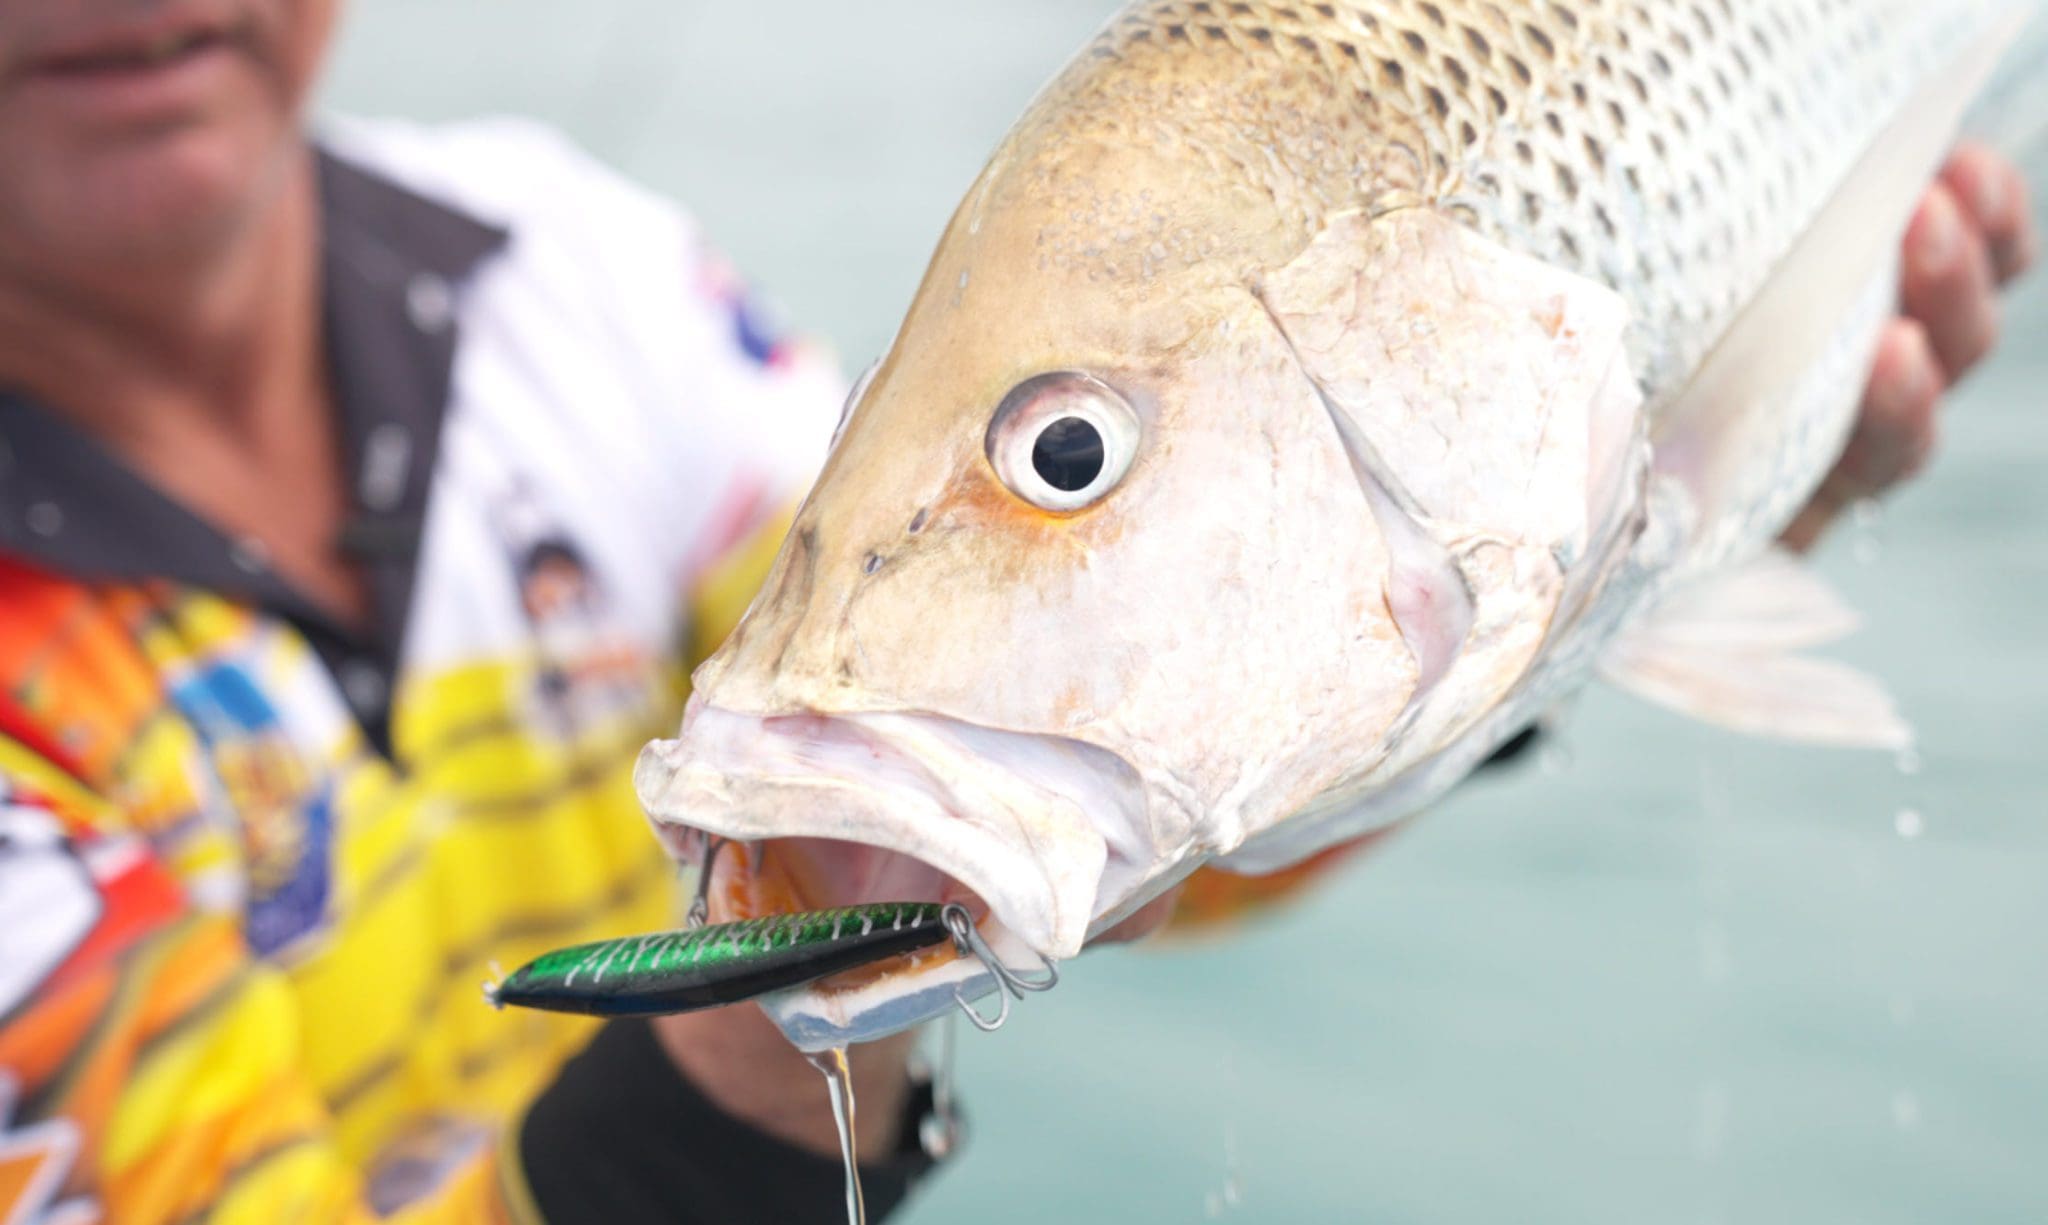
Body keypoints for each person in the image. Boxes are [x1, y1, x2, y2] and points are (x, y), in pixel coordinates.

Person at [0, 2, 2034, 1222]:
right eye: (1063, 452)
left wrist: (1622, 544)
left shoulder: (561, 276)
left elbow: (1163, 825)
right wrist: (764, 1034)